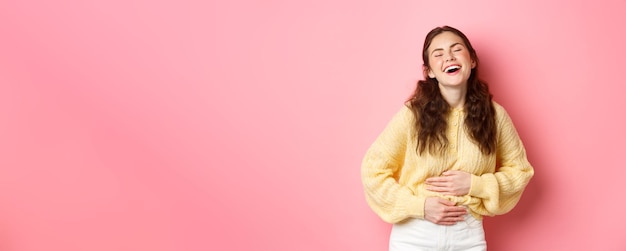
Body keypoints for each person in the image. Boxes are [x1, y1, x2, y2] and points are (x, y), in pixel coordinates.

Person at [361, 26, 534, 251]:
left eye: (456, 49)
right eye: (438, 54)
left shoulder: (495, 116)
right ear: (430, 71)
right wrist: (420, 206)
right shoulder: (412, 115)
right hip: (415, 235)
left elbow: (520, 171)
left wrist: (476, 184)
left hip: (468, 235)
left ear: (472, 60)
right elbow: (372, 170)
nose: (449, 57)